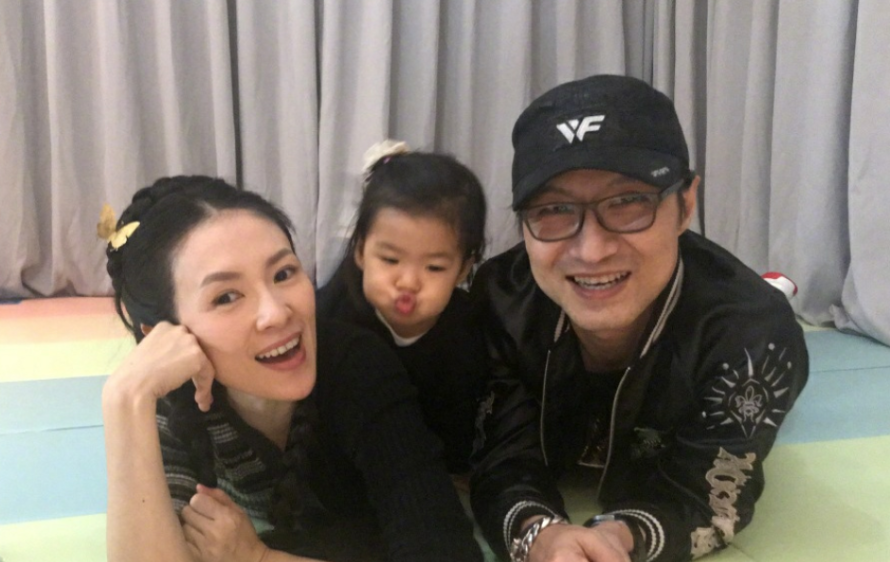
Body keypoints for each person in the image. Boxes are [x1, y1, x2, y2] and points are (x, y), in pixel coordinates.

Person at [469, 75, 808, 562]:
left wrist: (616, 539)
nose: (592, 251)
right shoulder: (500, 301)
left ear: (686, 205)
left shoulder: (752, 338)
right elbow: (499, 457)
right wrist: (540, 536)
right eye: (554, 209)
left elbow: (707, 491)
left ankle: (774, 286)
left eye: (629, 202)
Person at [100, 176, 483, 562]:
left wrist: (258, 558)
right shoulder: (168, 395)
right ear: (162, 334)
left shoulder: (356, 366)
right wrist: (124, 399)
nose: (277, 313)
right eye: (226, 297)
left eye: (283, 274)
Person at [317, 140, 489, 475]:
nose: (408, 282)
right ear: (360, 251)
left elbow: (459, 422)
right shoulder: (331, 319)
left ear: (463, 270)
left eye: (434, 267)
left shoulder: (468, 330)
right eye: (390, 260)